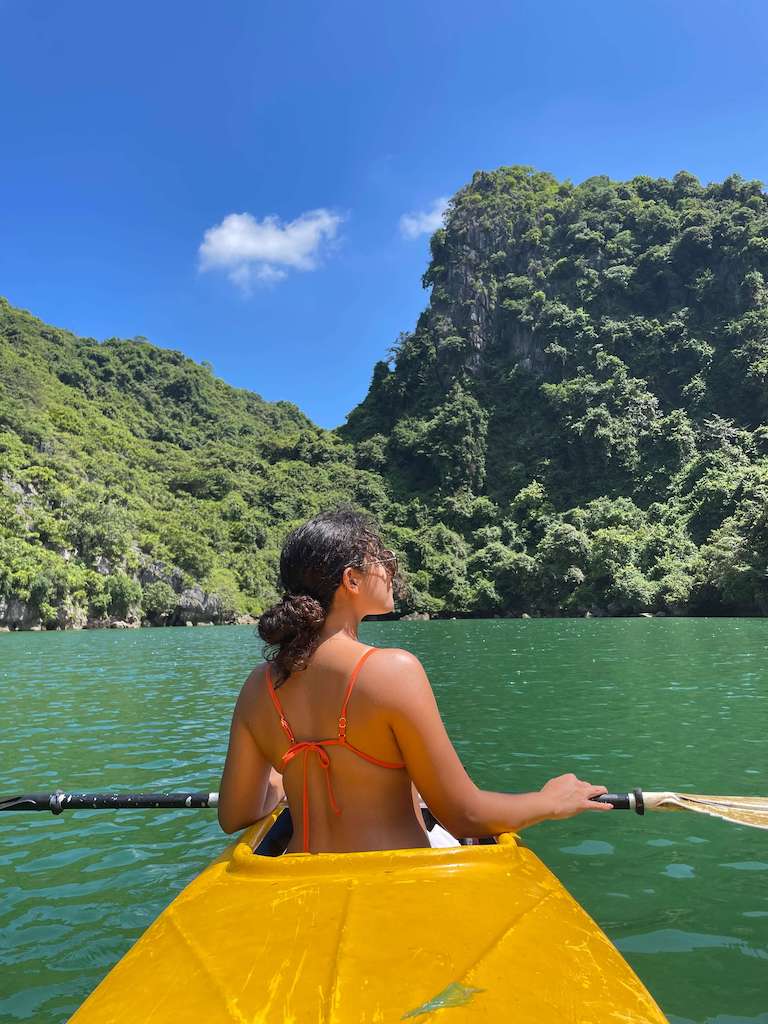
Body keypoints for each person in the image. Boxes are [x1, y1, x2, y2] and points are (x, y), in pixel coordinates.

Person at [218, 504, 613, 852]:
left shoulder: (259, 686)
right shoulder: (392, 670)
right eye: (382, 558)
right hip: (395, 882)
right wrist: (551, 801)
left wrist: (283, 779)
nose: (391, 570)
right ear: (351, 580)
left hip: (302, 887)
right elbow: (464, 816)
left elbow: (235, 815)